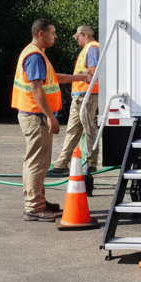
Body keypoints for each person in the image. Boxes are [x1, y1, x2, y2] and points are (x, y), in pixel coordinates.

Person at [11, 19, 87, 222]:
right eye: (53, 33)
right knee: (37, 162)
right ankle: (34, 207)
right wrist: (50, 117)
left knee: (38, 161)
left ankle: (38, 202)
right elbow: (36, 89)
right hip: (36, 116)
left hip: (33, 115)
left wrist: (78, 77)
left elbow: (52, 79)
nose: (55, 36)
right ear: (42, 33)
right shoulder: (35, 56)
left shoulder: (35, 53)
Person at [49, 26, 100, 181]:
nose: (76, 39)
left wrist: (83, 76)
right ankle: (62, 164)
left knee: (88, 130)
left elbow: (93, 71)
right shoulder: (90, 49)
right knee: (74, 130)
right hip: (82, 95)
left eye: (78, 37)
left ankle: (89, 165)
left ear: (84, 34)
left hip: (87, 95)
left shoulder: (92, 48)